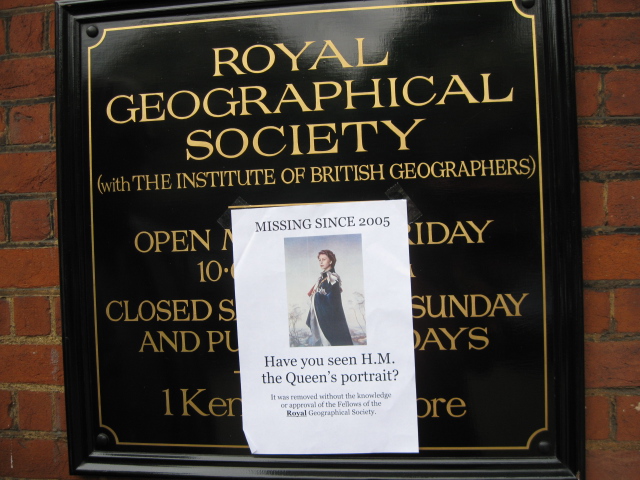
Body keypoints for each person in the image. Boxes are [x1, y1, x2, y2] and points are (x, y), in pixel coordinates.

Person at [306, 250, 353, 346]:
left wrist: (317, 295)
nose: (321, 262)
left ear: (330, 261)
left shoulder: (333, 278)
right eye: (319, 260)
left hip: (330, 319)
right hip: (321, 316)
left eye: (324, 259)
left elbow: (332, 301)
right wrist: (316, 295)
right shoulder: (322, 278)